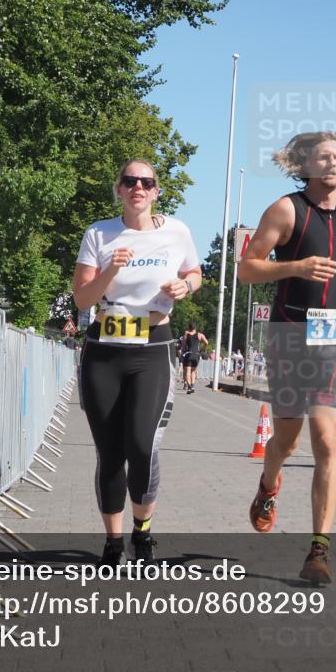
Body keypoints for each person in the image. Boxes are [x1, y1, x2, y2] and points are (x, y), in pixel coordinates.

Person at [239, 131, 336, 584]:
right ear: (307, 165)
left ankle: (319, 550)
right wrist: (295, 266)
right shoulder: (285, 209)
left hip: (333, 336)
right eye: (323, 157)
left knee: (328, 441)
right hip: (290, 334)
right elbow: (247, 268)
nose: (332, 164)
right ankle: (268, 484)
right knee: (287, 441)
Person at [73, 159, 202, 566]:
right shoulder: (99, 232)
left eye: (146, 182)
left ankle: (142, 532)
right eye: (129, 181)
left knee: (143, 445)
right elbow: (82, 300)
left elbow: (195, 272)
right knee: (110, 453)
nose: (138, 188)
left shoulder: (176, 231)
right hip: (105, 349)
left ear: (156, 191)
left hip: (153, 347)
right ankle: (113, 544)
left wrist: (186, 284)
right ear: (119, 189)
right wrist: (111, 268)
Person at [179, 323, 208, 393]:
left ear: (189, 328)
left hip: (189, 354)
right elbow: (206, 342)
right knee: (193, 371)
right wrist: (202, 349)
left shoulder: (187, 334)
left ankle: (189, 387)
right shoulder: (200, 335)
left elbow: (183, 345)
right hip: (196, 354)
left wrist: (182, 353)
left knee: (188, 371)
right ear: (195, 328)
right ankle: (193, 386)